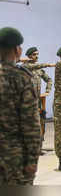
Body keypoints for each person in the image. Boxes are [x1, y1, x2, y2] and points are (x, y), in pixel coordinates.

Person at [0, 27, 41, 185]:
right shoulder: (20, 78)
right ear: (16, 50)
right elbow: (30, 125)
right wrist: (32, 159)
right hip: (13, 160)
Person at [24, 47, 53, 156]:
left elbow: (49, 79)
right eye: (34, 54)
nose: (37, 56)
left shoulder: (39, 70)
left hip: (38, 103)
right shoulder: (25, 68)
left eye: (37, 54)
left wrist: (47, 91)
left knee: (40, 125)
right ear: (29, 56)